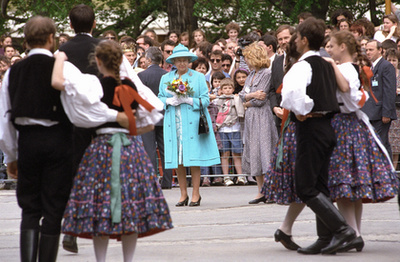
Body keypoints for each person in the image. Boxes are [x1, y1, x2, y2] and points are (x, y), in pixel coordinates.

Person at [0, 15, 129, 262]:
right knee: (53, 208)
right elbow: (85, 106)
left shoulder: (13, 72)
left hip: (27, 142)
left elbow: (5, 120)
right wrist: (115, 115)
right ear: (51, 39)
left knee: (29, 208)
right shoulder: (65, 68)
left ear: (25, 42)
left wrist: (11, 155)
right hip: (58, 142)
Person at [58, 40, 172, 262]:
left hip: (101, 149)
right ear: (121, 61)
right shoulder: (130, 85)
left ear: (97, 61)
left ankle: (101, 260)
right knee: (131, 207)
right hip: (130, 150)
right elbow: (151, 116)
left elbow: (84, 116)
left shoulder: (94, 85)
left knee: (101, 207)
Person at [281, 17, 356, 255]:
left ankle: (343, 230)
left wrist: (302, 111)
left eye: (295, 37)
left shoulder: (303, 66)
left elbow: (292, 95)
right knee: (321, 186)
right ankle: (325, 238)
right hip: (327, 127)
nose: (294, 40)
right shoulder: (326, 63)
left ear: (303, 40)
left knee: (306, 187)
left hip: (312, 128)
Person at [326, 29, 399, 253]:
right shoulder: (348, 67)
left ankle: (352, 233)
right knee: (352, 184)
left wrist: (330, 66)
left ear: (342, 47)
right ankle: (355, 232)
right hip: (352, 126)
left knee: (344, 183)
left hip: (345, 126)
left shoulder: (344, 68)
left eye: (331, 45)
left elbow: (346, 89)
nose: (328, 49)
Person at [158, 44, 220, 207]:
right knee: (177, 159)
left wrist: (189, 100)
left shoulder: (198, 77)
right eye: (178, 61)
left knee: (193, 158)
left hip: (192, 123)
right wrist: (168, 101)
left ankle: (195, 194)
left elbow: (206, 100)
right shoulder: (166, 78)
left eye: (184, 60)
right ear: (173, 62)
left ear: (189, 61)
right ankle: (183, 194)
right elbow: (159, 98)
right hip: (173, 122)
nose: (182, 63)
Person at [239, 42, 278, 204]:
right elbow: (241, 94)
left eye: (248, 58)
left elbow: (261, 100)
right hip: (250, 119)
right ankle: (261, 190)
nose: (246, 61)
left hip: (262, 117)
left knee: (265, 152)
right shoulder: (250, 75)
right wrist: (250, 97)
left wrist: (248, 100)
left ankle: (271, 189)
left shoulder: (266, 74)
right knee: (253, 151)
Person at [138, 47, 173, 189]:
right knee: (166, 150)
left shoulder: (142, 76)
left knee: (149, 149)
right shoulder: (168, 75)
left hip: (148, 116)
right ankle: (167, 181)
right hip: (165, 114)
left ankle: (152, 182)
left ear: (149, 59)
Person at [363, 40, 397, 158]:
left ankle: (385, 172)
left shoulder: (386, 66)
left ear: (380, 50)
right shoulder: (370, 67)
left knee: (380, 144)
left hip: (381, 113)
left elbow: (389, 91)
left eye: (371, 50)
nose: (368, 52)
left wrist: (386, 113)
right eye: (366, 50)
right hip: (371, 113)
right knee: (379, 143)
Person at [215, 78, 245, 186]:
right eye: (225, 88)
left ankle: (240, 176)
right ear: (221, 90)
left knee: (236, 153)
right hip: (223, 129)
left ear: (233, 89)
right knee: (225, 153)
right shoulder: (218, 100)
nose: (227, 90)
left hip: (235, 128)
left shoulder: (236, 99)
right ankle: (226, 177)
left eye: (229, 88)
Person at [269, 25, 295, 134]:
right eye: (280, 39)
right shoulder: (276, 62)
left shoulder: (302, 60)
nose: (283, 41)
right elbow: (272, 89)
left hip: (297, 116)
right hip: (280, 118)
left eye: (286, 38)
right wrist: (275, 107)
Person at [385, 48, 400, 169]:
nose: (391, 62)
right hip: (388, 110)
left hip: (399, 111)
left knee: (397, 143)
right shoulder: (383, 73)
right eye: (389, 60)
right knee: (389, 140)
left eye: (394, 60)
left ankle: (395, 169)